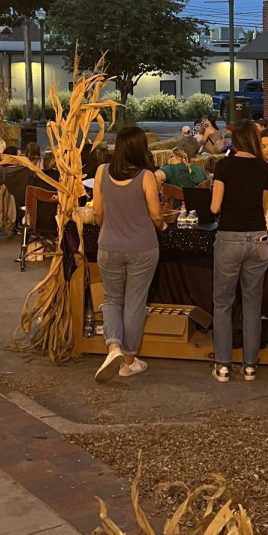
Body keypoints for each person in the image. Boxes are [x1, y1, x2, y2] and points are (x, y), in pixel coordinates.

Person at [92, 126, 167, 384]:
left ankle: (113, 347)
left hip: (109, 246)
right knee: (135, 302)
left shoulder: (101, 172)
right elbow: (156, 215)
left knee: (112, 299)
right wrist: (163, 226)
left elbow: (97, 213)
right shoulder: (146, 176)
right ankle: (128, 361)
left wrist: (110, 228)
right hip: (142, 248)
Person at [210, 119, 268, 383]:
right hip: (258, 238)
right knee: (251, 303)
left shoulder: (224, 166)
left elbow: (214, 207)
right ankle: (250, 366)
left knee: (223, 303)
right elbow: (265, 204)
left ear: (235, 142)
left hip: (229, 238)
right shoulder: (263, 167)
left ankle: (223, 366)